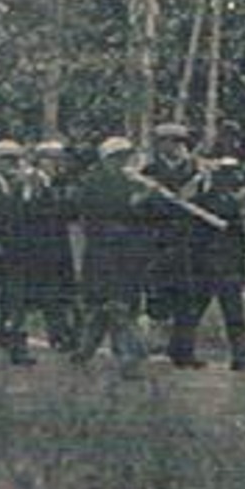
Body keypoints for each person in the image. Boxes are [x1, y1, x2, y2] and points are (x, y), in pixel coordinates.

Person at [70, 137, 151, 377]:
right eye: (116, 157)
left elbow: (146, 217)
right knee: (108, 306)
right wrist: (137, 200)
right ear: (105, 160)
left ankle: (86, 350)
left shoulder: (132, 180)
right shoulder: (93, 182)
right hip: (103, 253)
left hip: (129, 254)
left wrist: (148, 195)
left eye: (125, 157)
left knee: (117, 306)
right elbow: (95, 214)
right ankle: (126, 357)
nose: (122, 162)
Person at [140, 122, 208, 368]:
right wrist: (169, 202)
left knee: (188, 301)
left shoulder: (196, 173)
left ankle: (183, 352)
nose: (176, 147)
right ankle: (154, 347)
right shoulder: (149, 172)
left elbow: (207, 206)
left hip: (189, 244)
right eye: (169, 142)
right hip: (159, 242)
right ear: (160, 146)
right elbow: (143, 208)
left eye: (180, 142)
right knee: (157, 299)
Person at [191, 156, 245, 371]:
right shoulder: (208, 202)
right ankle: (184, 350)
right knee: (197, 312)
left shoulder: (218, 201)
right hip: (211, 264)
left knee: (231, 314)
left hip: (225, 264)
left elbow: (240, 240)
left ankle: (240, 356)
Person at [0, 139, 37, 365]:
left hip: (16, 249)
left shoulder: (21, 186)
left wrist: (26, 187)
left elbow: (29, 214)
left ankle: (15, 340)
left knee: (15, 297)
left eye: (14, 160)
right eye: (5, 160)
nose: (10, 165)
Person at [24, 140, 79, 354]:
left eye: (59, 159)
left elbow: (71, 212)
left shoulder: (59, 183)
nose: (57, 164)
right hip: (40, 244)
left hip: (58, 243)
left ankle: (66, 333)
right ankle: (59, 334)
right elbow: (30, 211)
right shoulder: (33, 181)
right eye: (51, 159)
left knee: (62, 291)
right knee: (49, 292)